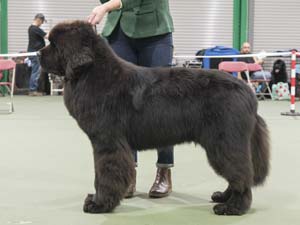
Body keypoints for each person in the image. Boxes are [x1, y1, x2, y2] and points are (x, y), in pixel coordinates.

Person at [88, 0, 174, 198]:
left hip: (156, 31)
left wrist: (107, 6)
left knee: (162, 104)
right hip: (119, 33)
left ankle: (164, 169)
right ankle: (127, 174)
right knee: (121, 107)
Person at [27, 13, 48, 96]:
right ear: (38, 20)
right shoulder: (35, 29)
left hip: (33, 53)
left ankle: (33, 89)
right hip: (34, 53)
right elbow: (47, 36)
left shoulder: (32, 28)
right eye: (42, 22)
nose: (42, 24)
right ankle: (32, 90)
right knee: (36, 71)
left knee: (35, 71)